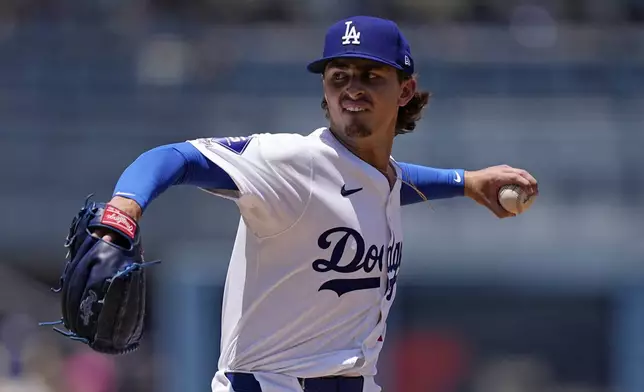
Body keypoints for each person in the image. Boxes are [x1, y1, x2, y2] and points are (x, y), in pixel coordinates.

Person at [96, 15, 538, 392]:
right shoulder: (293, 162)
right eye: (339, 75)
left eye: (371, 75)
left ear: (405, 91)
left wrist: (466, 182)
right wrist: (125, 209)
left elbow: (389, 184)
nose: (352, 88)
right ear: (325, 90)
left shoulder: (378, 176)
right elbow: (173, 157)